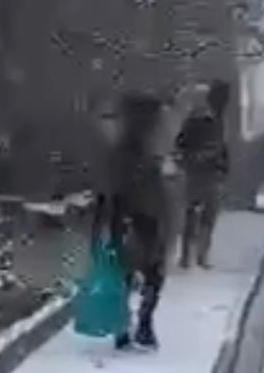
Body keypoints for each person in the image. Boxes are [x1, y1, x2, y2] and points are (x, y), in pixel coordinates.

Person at [93, 93, 170, 350]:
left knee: (124, 272)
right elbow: (152, 187)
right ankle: (144, 323)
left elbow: (108, 187)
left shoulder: (120, 149)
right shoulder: (146, 149)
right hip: (144, 216)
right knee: (153, 273)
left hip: (122, 216)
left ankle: (124, 326)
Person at [176, 80, 231, 269]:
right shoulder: (216, 121)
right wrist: (223, 168)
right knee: (207, 216)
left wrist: (186, 160)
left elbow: (180, 145)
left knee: (192, 214)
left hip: (195, 172)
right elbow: (221, 148)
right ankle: (201, 255)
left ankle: (187, 256)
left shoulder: (190, 122)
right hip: (210, 173)